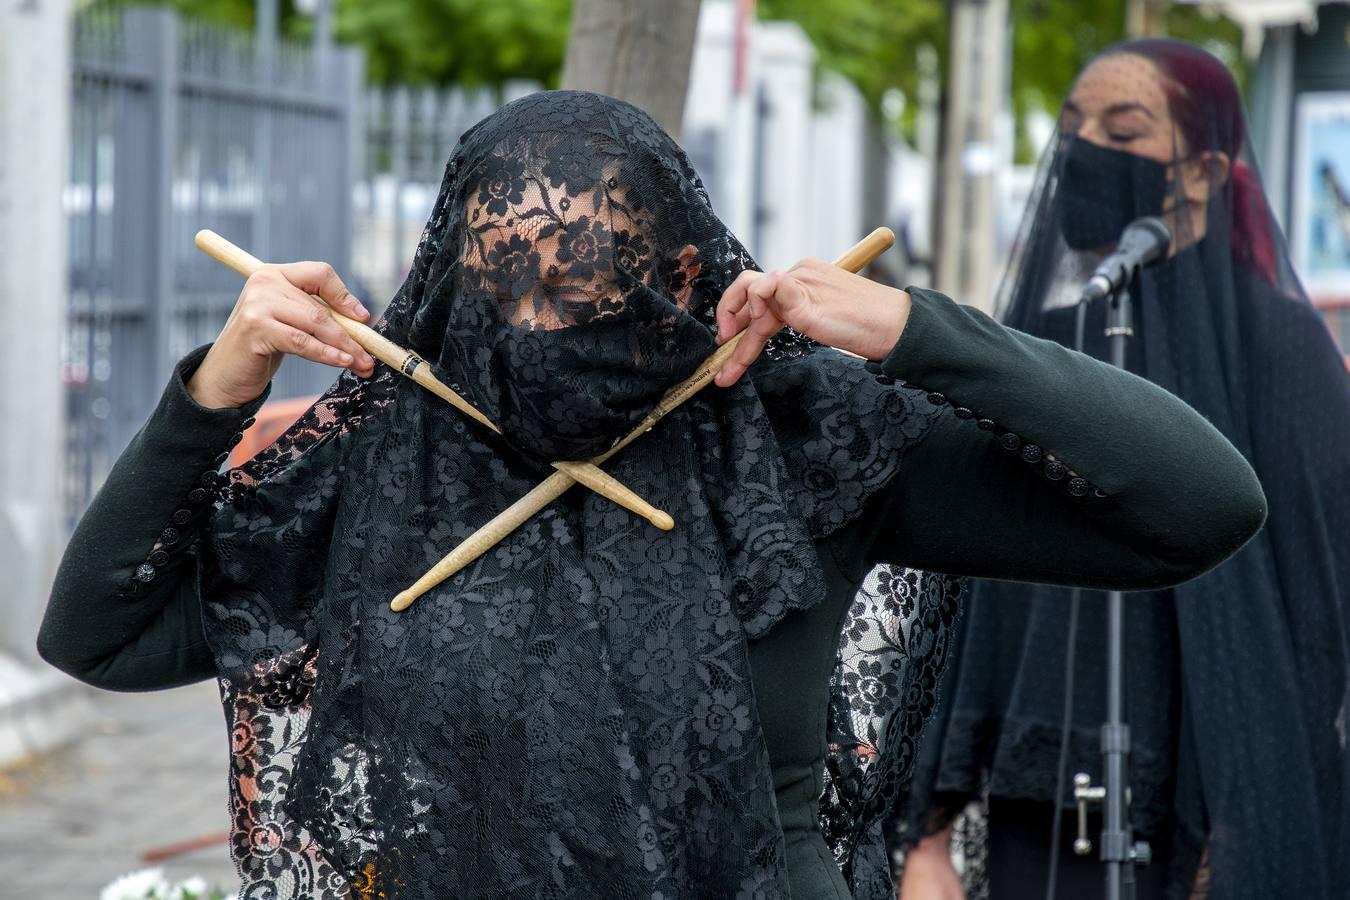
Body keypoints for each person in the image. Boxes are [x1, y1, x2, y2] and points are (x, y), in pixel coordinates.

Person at [38, 90, 1265, 900]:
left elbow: (1197, 507)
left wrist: (918, 333)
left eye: (597, 266)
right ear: (452, 273)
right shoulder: (387, 465)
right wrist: (215, 388)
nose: (548, 308)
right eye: (509, 268)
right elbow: (98, 632)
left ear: (688, 259)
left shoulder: (797, 440)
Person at [896, 39, 1350, 900]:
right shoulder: (1050, 344)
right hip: (1034, 802)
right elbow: (974, 590)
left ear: (1205, 171)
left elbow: (1322, 614)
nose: (1084, 147)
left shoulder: (1283, 354)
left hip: (1200, 824)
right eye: (1072, 126)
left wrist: (1247, 824)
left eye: (1124, 128)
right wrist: (929, 829)